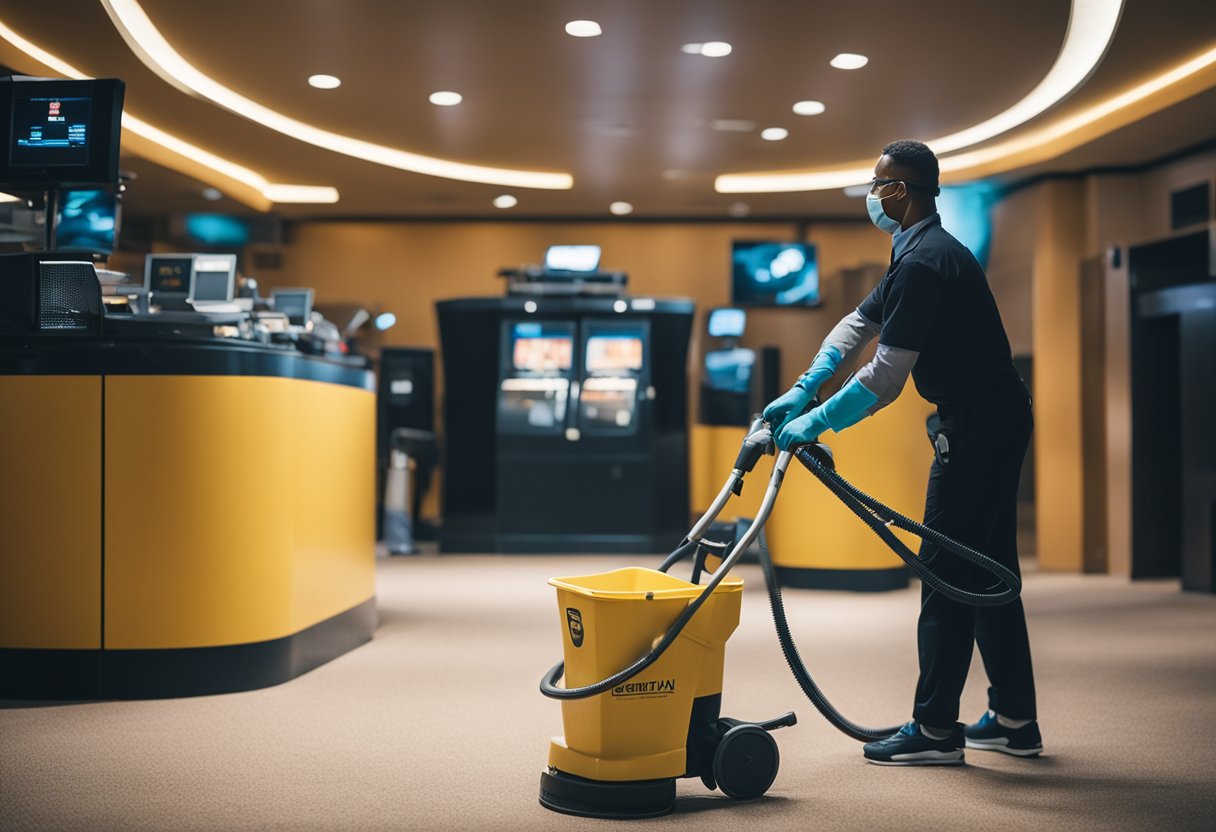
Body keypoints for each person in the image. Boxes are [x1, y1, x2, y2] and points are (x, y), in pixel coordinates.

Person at [763, 140, 1040, 765]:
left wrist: (815, 422)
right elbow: (857, 325)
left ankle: (937, 731)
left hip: (979, 431)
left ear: (903, 192)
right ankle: (1017, 718)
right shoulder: (914, 253)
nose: (872, 192)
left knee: (946, 567)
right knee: (989, 566)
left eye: (879, 182)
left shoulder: (926, 261)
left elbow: (885, 377)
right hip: (990, 421)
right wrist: (804, 386)